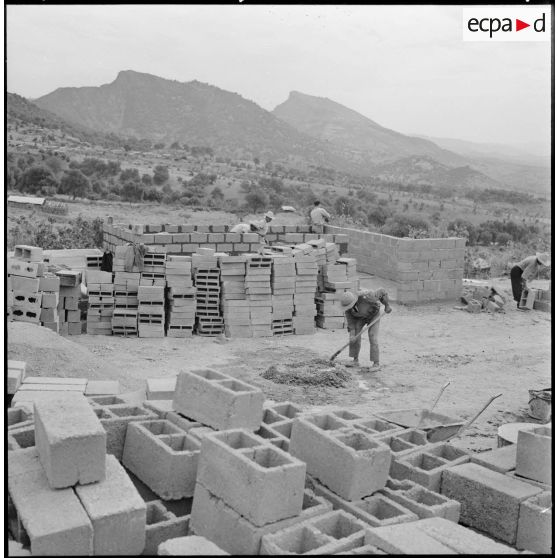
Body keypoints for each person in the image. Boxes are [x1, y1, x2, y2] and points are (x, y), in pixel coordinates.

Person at [340, 288, 392, 371]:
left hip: (373, 314)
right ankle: (355, 360)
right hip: (360, 318)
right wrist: (352, 335)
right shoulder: (348, 310)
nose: (349, 308)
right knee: (355, 336)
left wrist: (387, 305)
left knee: (372, 335)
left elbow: (382, 291)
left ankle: (376, 363)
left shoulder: (368, 296)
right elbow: (351, 324)